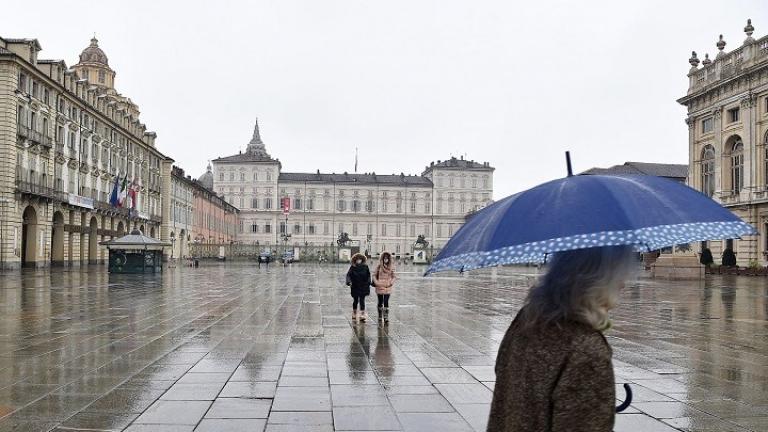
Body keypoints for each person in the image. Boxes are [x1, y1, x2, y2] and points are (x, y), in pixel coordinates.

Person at [487, 246, 635, 432]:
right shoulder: (587, 351)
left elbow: (502, 370)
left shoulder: (526, 318)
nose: (623, 283)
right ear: (598, 277)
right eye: (619, 272)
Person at [346, 253, 371, 321]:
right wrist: (349, 282)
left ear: (362, 260)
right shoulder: (353, 267)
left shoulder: (365, 267)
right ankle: (354, 312)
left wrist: (368, 282)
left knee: (362, 300)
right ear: (355, 260)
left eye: (360, 259)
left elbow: (368, 275)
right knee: (356, 300)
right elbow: (348, 275)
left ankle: (362, 313)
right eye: (357, 259)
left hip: (363, 285)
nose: (358, 260)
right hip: (355, 286)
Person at [372, 251, 396, 322]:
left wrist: (391, 283)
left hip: (387, 286)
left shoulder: (391, 267)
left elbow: (394, 276)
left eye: (387, 258)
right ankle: (380, 315)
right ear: (382, 259)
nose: (386, 260)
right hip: (379, 286)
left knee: (386, 301)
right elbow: (374, 275)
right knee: (380, 301)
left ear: (389, 259)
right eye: (384, 258)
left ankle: (385, 316)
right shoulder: (379, 266)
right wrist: (376, 282)